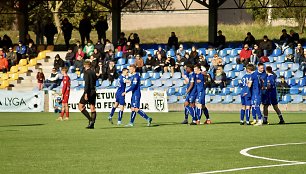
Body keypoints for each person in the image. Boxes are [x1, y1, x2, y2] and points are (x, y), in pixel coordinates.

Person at [78, 61, 97, 129]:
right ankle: (92, 124)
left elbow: (87, 83)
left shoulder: (86, 72)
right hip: (93, 91)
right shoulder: (93, 72)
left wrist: (86, 93)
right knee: (92, 107)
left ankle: (90, 120)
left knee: (80, 106)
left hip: (88, 91)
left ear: (85, 65)